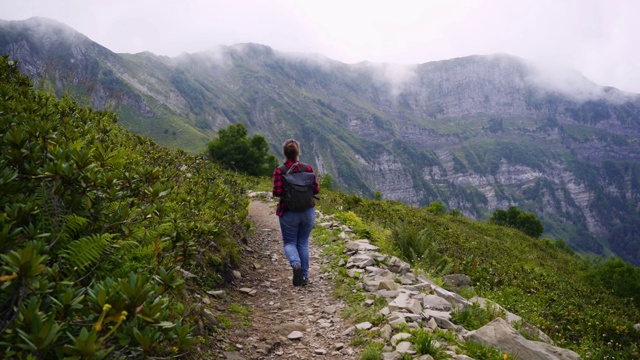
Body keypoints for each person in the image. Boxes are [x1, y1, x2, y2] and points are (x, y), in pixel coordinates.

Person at [272, 139, 320, 286]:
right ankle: (305, 276)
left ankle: (296, 264)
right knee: (303, 242)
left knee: (289, 242)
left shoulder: (280, 171)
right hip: (307, 211)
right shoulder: (308, 168)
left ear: (285, 153)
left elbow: (277, 192)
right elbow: (316, 189)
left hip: (289, 212)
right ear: (298, 152)